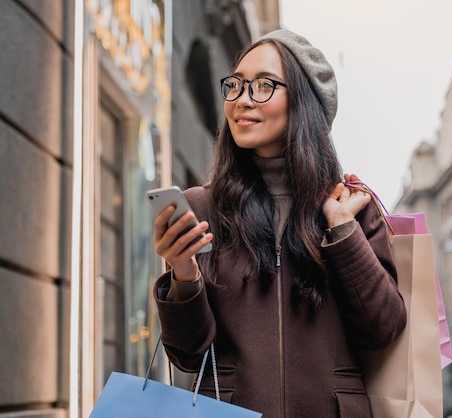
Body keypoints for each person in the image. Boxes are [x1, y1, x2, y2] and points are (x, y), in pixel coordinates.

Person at [152, 29, 407, 418]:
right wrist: (184, 274)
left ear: (304, 102)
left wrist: (341, 230)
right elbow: (188, 355)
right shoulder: (201, 208)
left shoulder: (349, 206)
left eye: (263, 86)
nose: (241, 100)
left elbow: (383, 330)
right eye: (235, 85)